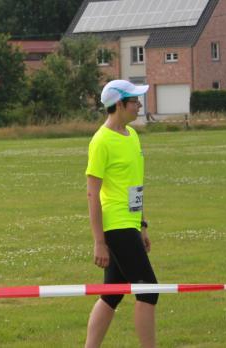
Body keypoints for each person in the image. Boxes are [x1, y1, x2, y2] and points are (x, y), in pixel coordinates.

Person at [84, 80, 157, 348]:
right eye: (134, 101)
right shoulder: (101, 141)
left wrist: (142, 224)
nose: (139, 104)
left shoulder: (132, 135)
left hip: (130, 224)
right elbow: (92, 193)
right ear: (118, 105)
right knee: (149, 290)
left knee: (111, 295)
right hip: (114, 226)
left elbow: (135, 187)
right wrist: (99, 241)